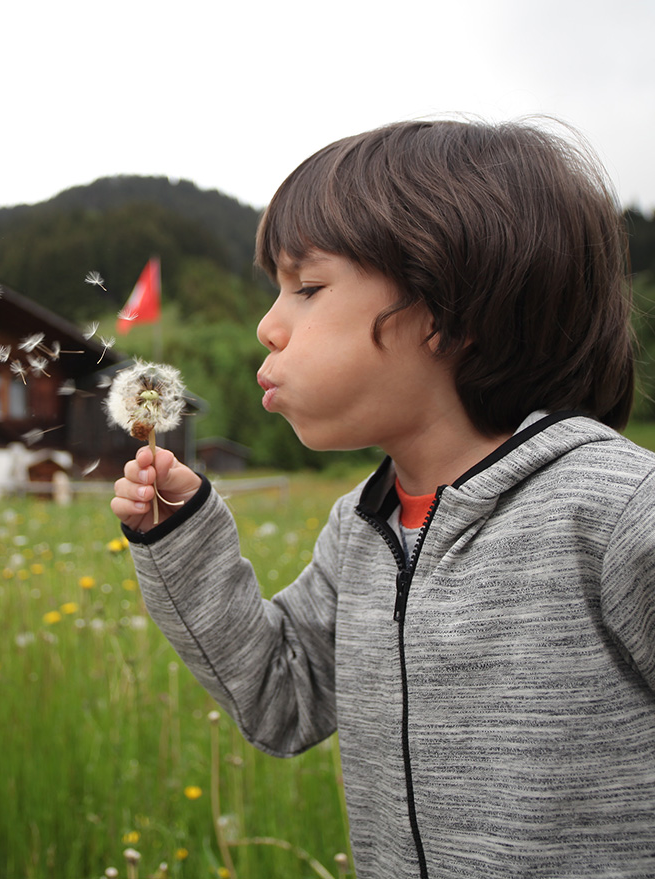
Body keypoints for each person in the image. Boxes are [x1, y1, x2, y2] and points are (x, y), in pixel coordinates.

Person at [110, 118, 655, 878]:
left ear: (449, 309)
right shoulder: (362, 529)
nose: (269, 326)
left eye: (308, 287)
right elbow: (279, 694)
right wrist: (182, 535)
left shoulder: (618, 511)